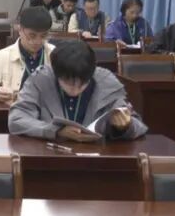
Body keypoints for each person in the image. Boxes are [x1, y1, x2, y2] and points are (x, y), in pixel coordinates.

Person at [9, 40, 148, 141]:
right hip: (49, 155)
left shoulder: (106, 82)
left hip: (97, 159)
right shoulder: (40, 80)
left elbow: (138, 126)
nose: (75, 90)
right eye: (68, 83)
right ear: (56, 73)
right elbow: (17, 119)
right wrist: (55, 131)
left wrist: (124, 127)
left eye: (82, 84)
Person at [0, 7, 56, 102]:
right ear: (20, 30)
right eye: (32, 36)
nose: (37, 41)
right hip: (14, 108)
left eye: (43, 36)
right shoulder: (2, 56)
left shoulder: (55, 54)